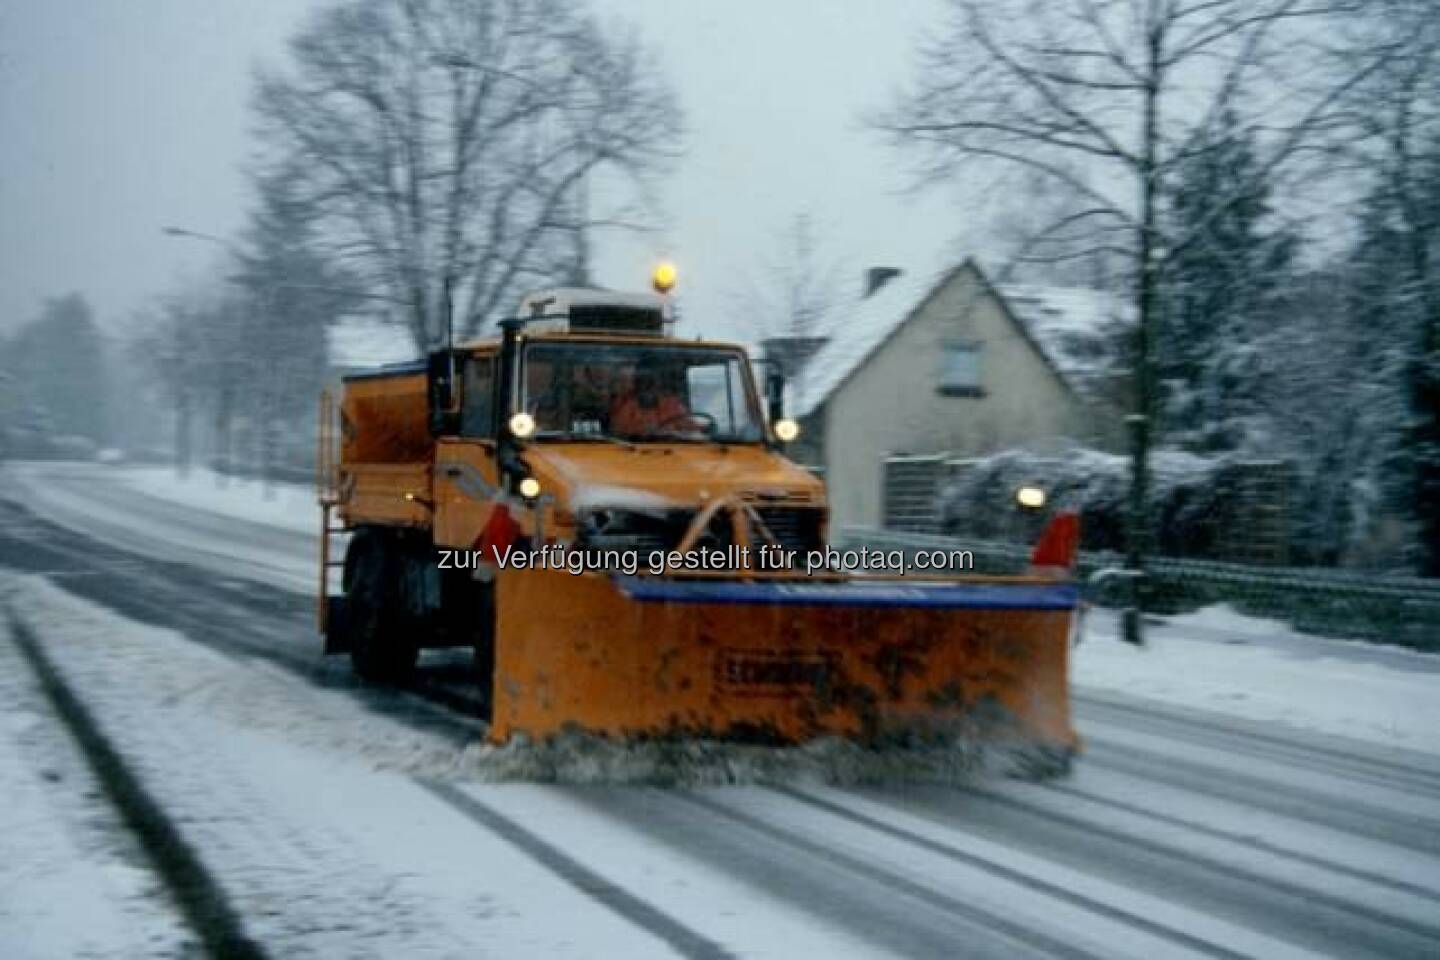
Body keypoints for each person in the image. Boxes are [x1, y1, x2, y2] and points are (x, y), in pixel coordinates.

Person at [610, 357, 695, 436]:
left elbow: (692, 430)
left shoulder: (673, 406)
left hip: (671, 448)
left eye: (652, 381)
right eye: (644, 380)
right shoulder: (623, 404)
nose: (648, 386)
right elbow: (618, 432)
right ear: (636, 382)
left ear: (659, 383)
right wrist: (648, 431)